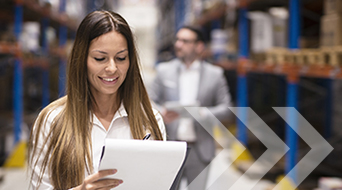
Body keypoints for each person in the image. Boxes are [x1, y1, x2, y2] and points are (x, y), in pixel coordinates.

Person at [28, 10, 166, 190]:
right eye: (100, 58)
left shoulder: (150, 121)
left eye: (121, 58)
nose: (112, 68)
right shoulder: (52, 120)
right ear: (81, 59)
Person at [149, 26, 232, 190]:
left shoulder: (215, 74)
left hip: (200, 149)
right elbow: (148, 101)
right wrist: (161, 113)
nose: (178, 45)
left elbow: (226, 108)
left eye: (185, 41)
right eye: (178, 40)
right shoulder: (163, 71)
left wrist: (202, 113)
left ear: (199, 46)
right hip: (171, 147)